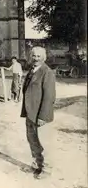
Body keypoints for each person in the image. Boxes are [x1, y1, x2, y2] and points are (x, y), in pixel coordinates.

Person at [21, 46, 56, 179]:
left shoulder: (47, 72)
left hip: (40, 115)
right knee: (32, 141)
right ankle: (36, 165)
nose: (35, 58)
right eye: (34, 56)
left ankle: (47, 170)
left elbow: (49, 97)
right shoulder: (32, 70)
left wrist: (43, 117)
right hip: (30, 113)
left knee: (44, 143)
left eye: (38, 56)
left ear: (44, 58)